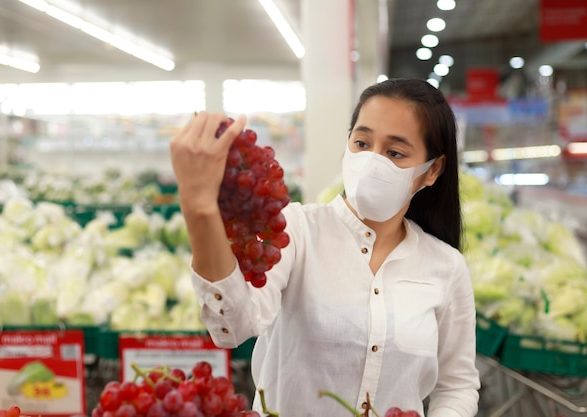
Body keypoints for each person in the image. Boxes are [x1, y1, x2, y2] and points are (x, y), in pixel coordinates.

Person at [169, 78, 480, 417]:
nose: (372, 161)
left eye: (395, 153)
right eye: (362, 142)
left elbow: (457, 385)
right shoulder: (295, 231)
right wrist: (201, 210)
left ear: (432, 169)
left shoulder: (446, 267)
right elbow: (231, 324)